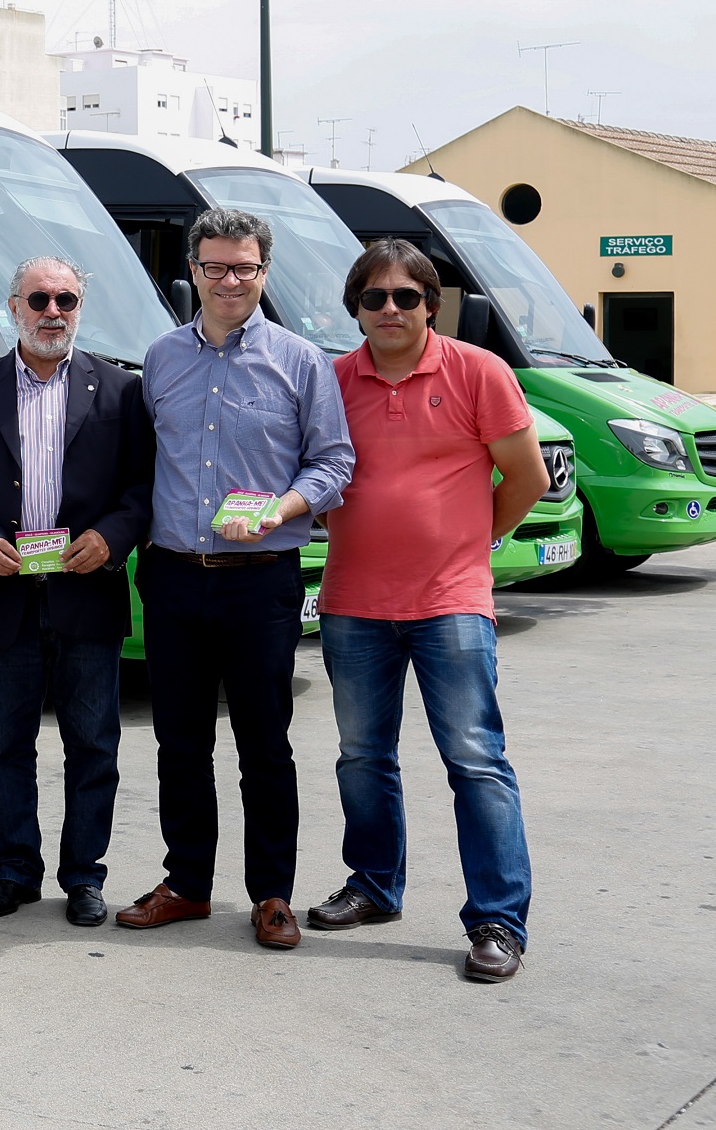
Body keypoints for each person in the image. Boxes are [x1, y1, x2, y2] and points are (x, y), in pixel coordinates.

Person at [310, 239, 546, 983]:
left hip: (451, 603)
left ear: (429, 304)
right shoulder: (330, 382)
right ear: (354, 307)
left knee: (476, 762)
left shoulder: (480, 372)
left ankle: (498, 923)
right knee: (362, 758)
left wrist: (470, 546)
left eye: (405, 297)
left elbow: (527, 476)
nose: (389, 309)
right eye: (373, 297)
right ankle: (376, 887)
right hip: (353, 603)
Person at [117, 207, 353, 949]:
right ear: (192, 270)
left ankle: (272, 895)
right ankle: (187, 882)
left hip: (261, 582)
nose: (229, 279)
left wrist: (282, 508)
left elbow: (335, 462)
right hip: (175, 577)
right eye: (215, 266)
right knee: (180, 743)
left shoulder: (300, 361)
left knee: (264, 744)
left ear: (263, 273)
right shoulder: (160, 358)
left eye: (244, 267)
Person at [0, 256, 153, 928]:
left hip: (86, 594)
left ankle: (84, 877)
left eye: (66, 298)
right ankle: (14, 871)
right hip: (4, 597)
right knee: (6, 742)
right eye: (38, 299)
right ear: (13, 307)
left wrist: (113, 536)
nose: (52, 311)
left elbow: (142, 489)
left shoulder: (122, 392)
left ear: (79, 307)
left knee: (93, 743)